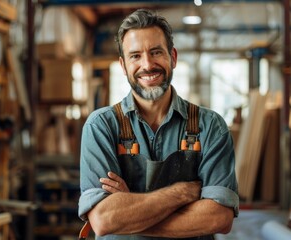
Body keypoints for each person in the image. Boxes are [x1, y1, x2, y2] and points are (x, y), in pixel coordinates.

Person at [78, 9, 239, 239]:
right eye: (135, 56)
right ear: (123, 66)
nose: (147, 65)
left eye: (156, 52)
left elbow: (218, 218)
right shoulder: (101, 126)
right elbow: (104, 220)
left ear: (173, 57)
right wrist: (182, 193)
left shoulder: (210, 127)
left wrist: (129, 212)